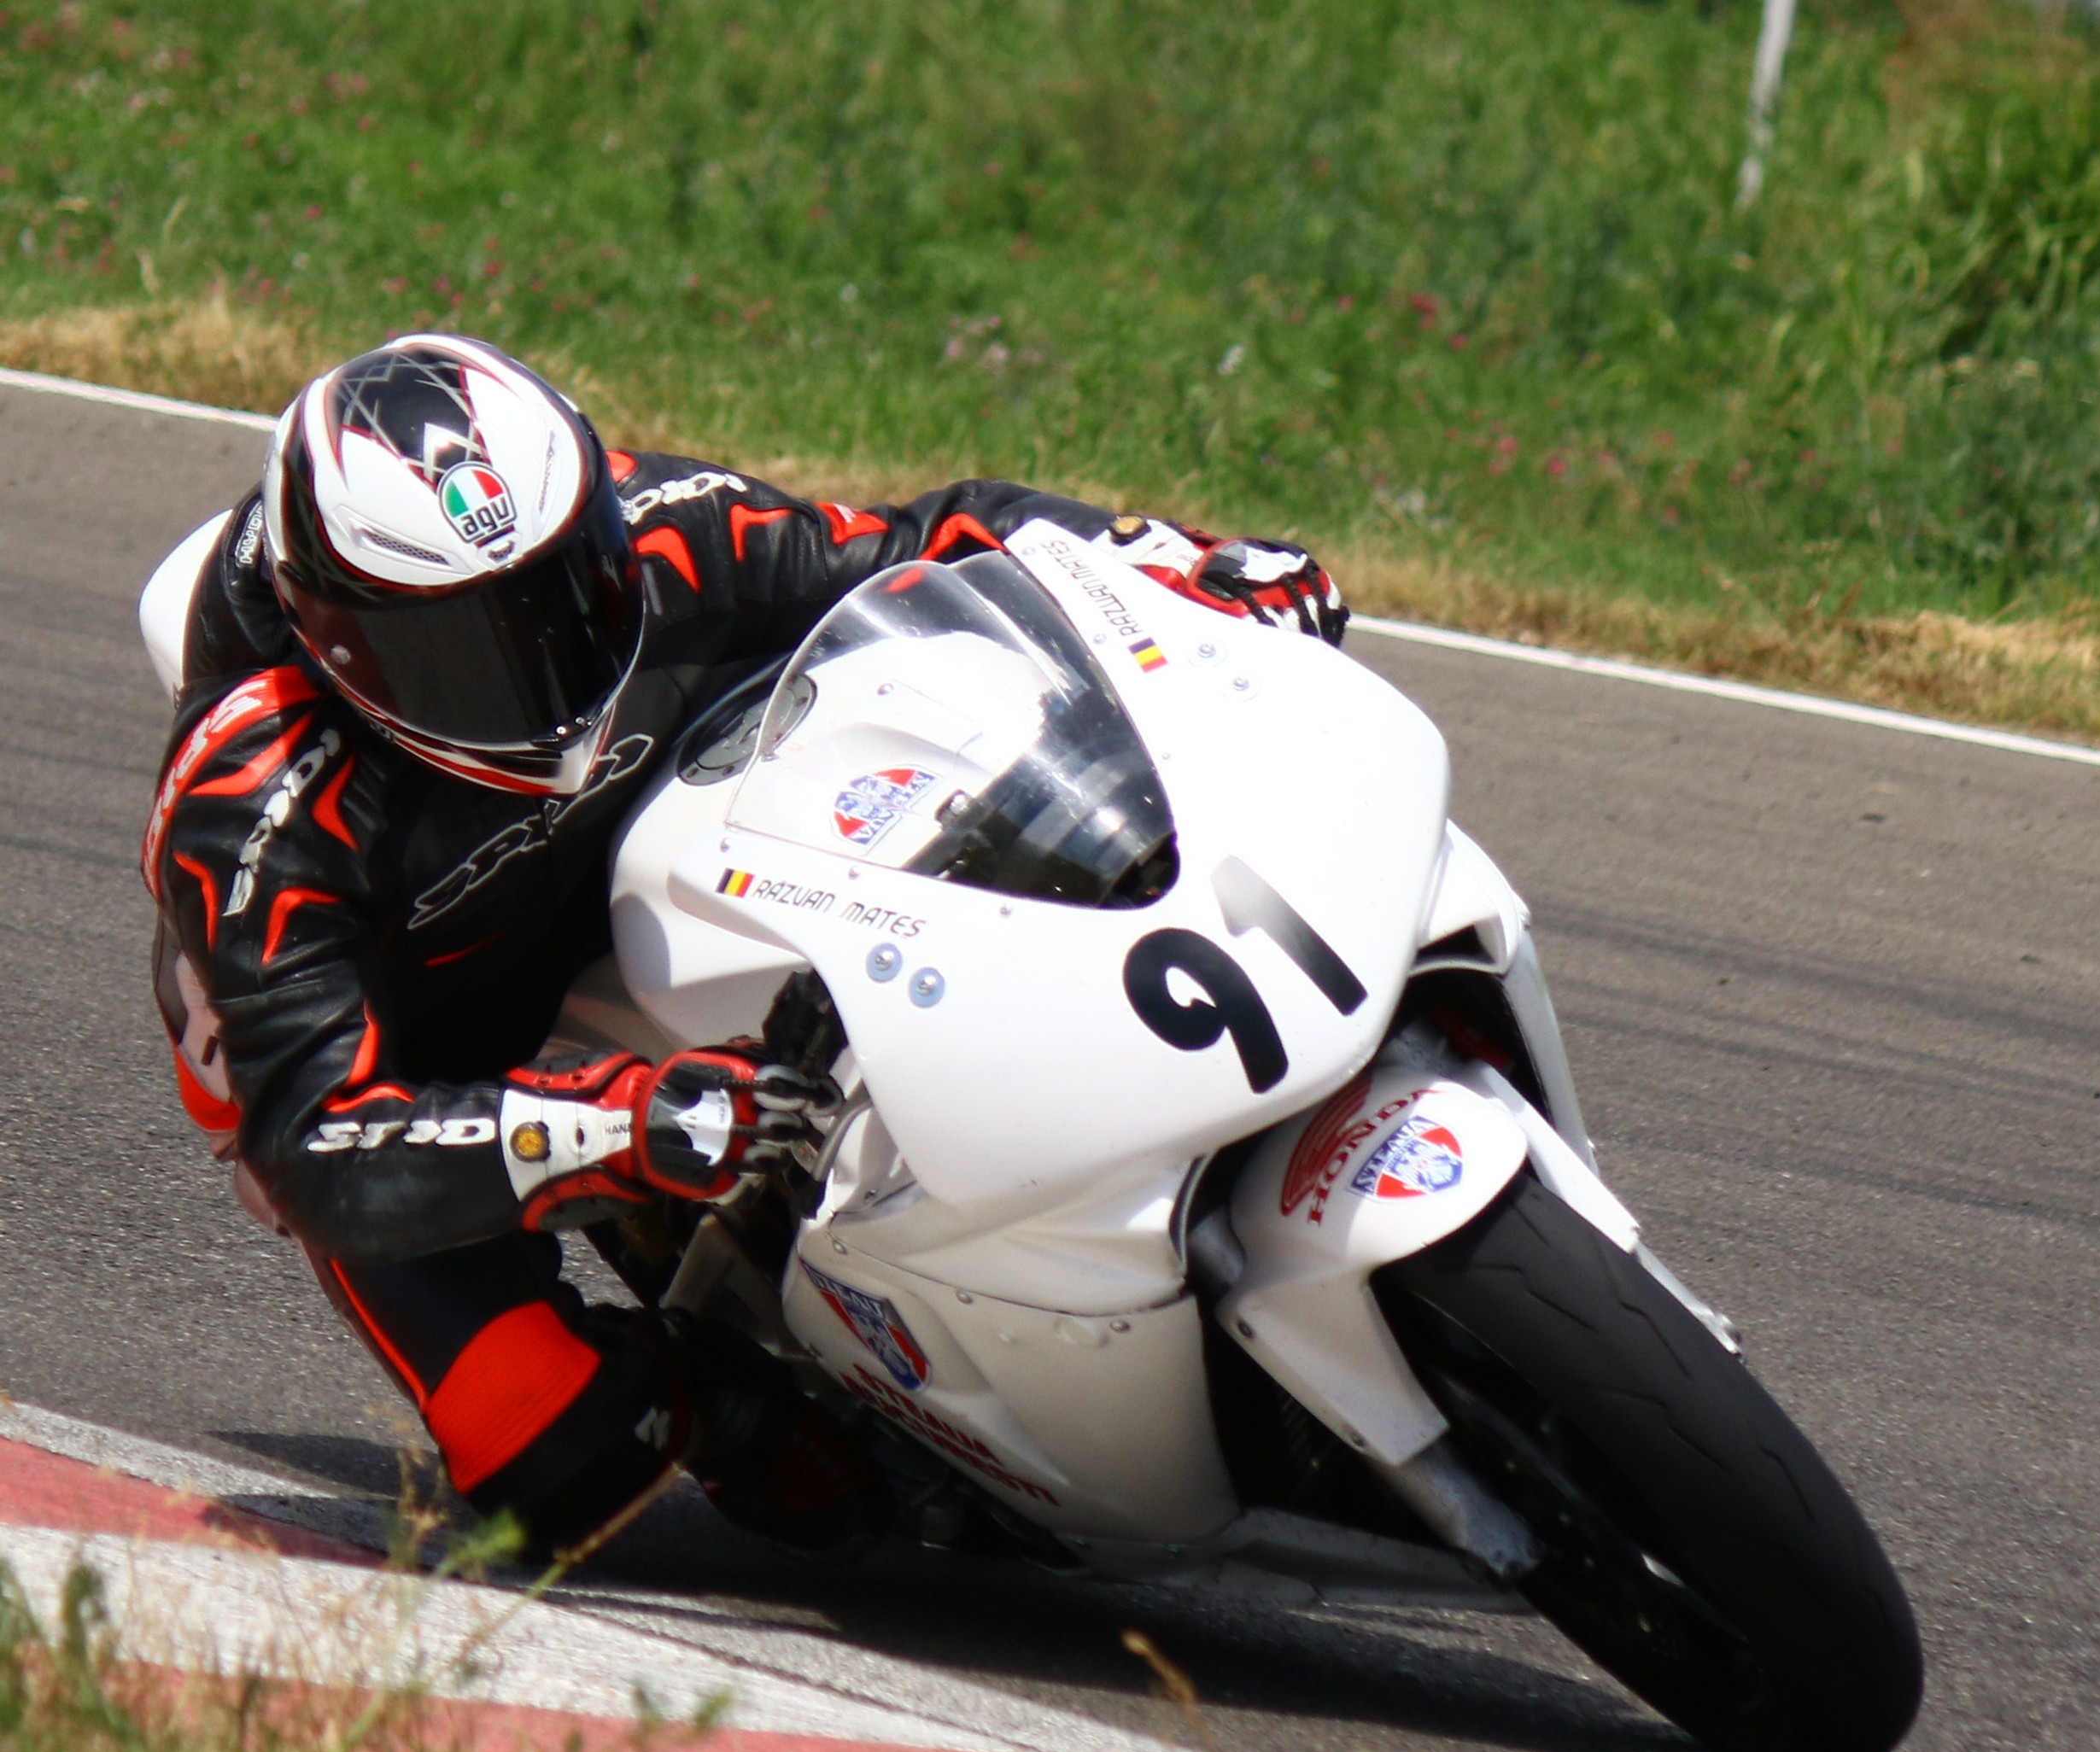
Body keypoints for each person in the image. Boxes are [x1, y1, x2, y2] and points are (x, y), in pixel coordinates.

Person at [142, 332, 1348, 1568]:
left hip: (666, 859)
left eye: (563, 598)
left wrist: (1184, 563)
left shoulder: (662, 526)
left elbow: (937, 539)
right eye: (462, 651)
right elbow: (317, 1144)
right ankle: (720, 1393)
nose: (540, 668)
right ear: (338, 643)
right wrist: (621, 1125)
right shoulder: (253, 799)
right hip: (432, 1025)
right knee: (553, 1462)